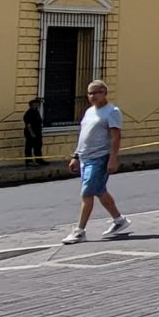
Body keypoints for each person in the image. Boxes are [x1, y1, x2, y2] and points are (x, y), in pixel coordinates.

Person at [62, 80, 130, 244]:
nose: (92, 96)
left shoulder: (112, 111)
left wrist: (112, 159)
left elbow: (115, 137)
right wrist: (76, 156)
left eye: (96, 92)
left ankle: (80, 231)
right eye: (89, 93)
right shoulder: (89, 112)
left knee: (87, 193)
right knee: (99, 191)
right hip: (85, 157)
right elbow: (83, 135)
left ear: (104, 93)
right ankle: (119, 220)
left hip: (100, 157)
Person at [20, 96, 45, 166]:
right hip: (31, 133)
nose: (37, 105)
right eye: (35, 104)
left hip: (37, 132)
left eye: (37, 104)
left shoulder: (36, 112)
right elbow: (28, 125)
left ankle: (39, 160)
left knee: (38, 146)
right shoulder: (29, 113)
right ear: (31, 105)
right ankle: (29, 161)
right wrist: (32, 133)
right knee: (29, 147)